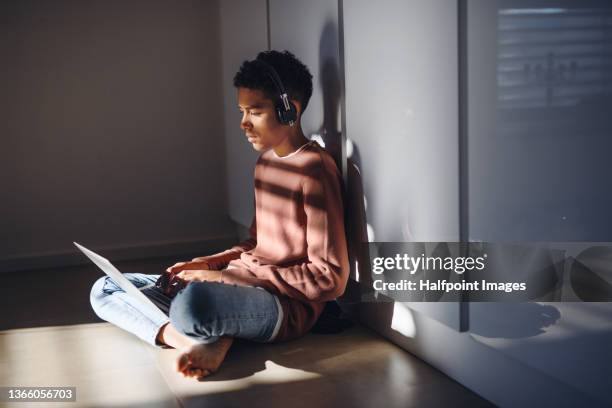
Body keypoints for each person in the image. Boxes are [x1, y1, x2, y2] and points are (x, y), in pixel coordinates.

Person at [89, 50, 349, 379]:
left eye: (254, 112)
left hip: (281, 305)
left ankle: (206, 328)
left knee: (195, 304)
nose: (243, 123)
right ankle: (191, 341)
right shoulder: (266, 162)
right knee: (107, 287)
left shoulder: (315, 170)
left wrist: (223, 279)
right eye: (242, 111)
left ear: (289, 110)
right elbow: (256, 243)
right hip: (235, 288)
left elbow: (328, 277)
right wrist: (207, 264)